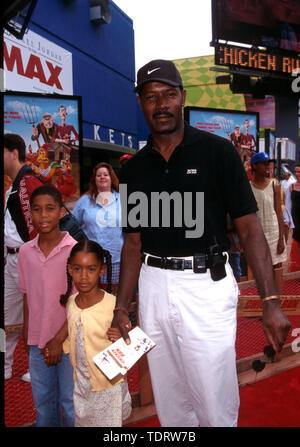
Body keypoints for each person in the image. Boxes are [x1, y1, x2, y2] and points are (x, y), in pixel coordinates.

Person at [113, 59, 291, 427]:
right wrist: (121, 307)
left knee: (213, 401)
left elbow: (250, 228)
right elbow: (132, 244)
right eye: (150, 97)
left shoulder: (217, 152)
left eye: (168, 95)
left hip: (204, 286)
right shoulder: (133, 168)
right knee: (171, 403)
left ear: (182, 98)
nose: (160, 104)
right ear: (140, 103)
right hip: (154, 286)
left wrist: (270, 301)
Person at [17, 185, 76, 427]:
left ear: (62, 212)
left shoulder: (75, 250)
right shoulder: (25, 252)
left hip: (69, 341)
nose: (43, 216)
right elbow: (27, 294)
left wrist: (57, 340)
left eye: (50, 209)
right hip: (37, 342)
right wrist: (27, 330)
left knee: (71, 402)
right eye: (37, 210)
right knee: (43, 402)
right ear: (30, 214)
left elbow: (78, 303)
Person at [60, 239, 132, 427]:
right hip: (82, 384)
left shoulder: (113, 306)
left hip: (109, 385)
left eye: (91, 269)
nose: (83, 276)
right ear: (70, 269)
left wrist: (121, 340)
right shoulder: (71, 303)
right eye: (78, 269)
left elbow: (131, 342)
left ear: (101, 270)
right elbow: (73, 336)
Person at [4, 134, 43, 382]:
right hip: (10, 259)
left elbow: (41, 223)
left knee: (35, 314)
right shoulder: (13, 185)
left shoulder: (28, 181)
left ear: (13, 153)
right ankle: (5, 364)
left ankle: (36, 367)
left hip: (27, 259)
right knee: (9, 315)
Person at [72, 162, 123, 295]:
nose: (102, 177)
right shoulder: (84, 201)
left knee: (114, 301)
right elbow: (72, 225)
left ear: (111, 178)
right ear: (94, 180)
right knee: (91, 298)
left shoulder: (123, 200)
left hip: (117, 261)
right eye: (99, 175)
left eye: (105, 174)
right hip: (90, 261)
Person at [250, 152, 287, 295]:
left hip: (274, 234)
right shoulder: (248, 187)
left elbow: (279, 212)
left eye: (268, 164)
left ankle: (277, 306)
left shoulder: (274, 185)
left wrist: (281, 239)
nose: (267, 167)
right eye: (264, 164)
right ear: (254, 166)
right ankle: (265, 306)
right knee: (262, 272)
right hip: (258, 236)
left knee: (277, 271)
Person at [289, 164, 300, 260]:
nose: (297, 174)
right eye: (295, 172)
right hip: (295, 218)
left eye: (299, 172)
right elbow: (288, 204)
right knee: (296, 240)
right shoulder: (291, 186)